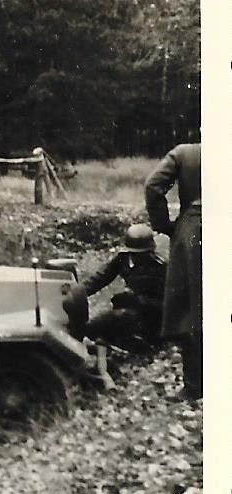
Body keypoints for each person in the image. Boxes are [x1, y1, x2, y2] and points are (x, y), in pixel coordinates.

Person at [145, 142, 202, 401]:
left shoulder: (184, 153)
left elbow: (153, 186)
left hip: (192, 231)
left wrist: (165, 225)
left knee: (189, 308)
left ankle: (195, 386)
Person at [74, 224, 166, 350]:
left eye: (143, 253)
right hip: (132, 312)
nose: (138, 258)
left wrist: (137, 301)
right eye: (134, 253)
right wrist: (76, 294)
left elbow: (168, 305)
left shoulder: (161, 268)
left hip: (152, 319)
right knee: (96, 326)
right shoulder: (122, 259)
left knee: (111, 319)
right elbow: (99, 279)